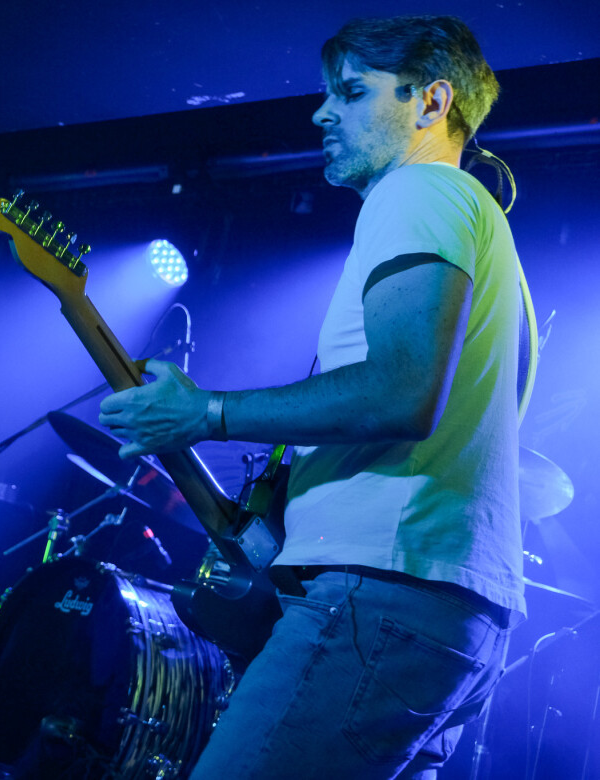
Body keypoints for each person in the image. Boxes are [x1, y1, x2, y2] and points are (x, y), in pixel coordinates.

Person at [99, 16, 529, 779]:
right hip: (447, 610)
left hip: (384, 595)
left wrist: (206, 412)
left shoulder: (419, 190)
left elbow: (402, 392)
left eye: (351, 92)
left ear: (431, 102)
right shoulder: (477, 220)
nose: (321, 113)